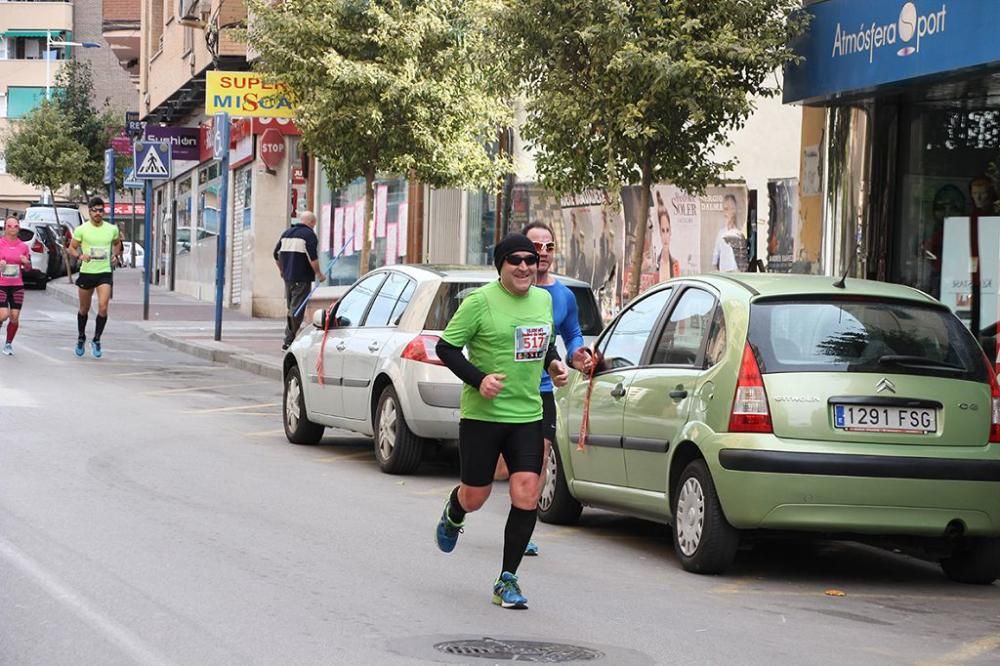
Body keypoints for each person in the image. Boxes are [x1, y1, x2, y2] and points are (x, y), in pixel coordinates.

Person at [433, 232, 569, 610]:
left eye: (530, 259)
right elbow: (446, 347)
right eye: (516, 261)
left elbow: (542, 343)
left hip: (528, 413)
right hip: (483, 416)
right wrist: (480, 379)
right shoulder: (480, 303)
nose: (525, 266)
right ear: (502, 266)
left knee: (527, 493)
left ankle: (507, 579)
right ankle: (455, 510)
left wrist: (554, 364)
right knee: (476, 495)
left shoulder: (542, 299)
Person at [495, 222, 594, 557]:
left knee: (540, 457)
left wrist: (577, 355)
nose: (543, 253)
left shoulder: (563, 296)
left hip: (541, 390)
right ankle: (465, 499)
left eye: (549, 246)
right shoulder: (503, 292)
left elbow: (572, 334)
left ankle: (523, 525)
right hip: (506, 389)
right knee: (494, 472)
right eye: (537, 246)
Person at [69, 197, 122, 358]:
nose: (98, 213)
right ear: (89, 211)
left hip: (104, 272)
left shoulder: (111, 229)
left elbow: (117, 243)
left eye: (100, 210)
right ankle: (81, 337)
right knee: (84, 309)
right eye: (94, 210)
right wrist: (79, 256)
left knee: (103, 307)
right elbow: (71, 248)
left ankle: (97, 339)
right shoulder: (81, 230)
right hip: (87, 272)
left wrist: (116, 255)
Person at [274, 210, 324, 351]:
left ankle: (290, 338)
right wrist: (319, 274)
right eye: (313, 224)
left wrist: (282, 271)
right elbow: (312, 257)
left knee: (292, 308)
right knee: (297, 311)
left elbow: (275, 254)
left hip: (288, 278)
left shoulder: (286, 233)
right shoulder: (309, 235)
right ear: (311, 222)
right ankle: (288, 341)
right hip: (302, 278)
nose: (313, 226)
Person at [0, 217, 31, 355]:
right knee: (4, 314)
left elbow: (28, 268)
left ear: (19, 228)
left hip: (17, 285)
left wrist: (26, 262)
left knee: (14, 316)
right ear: (5, 228)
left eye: (16, 226)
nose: (12, 229)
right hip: (1, 284)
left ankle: (8, 344)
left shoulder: (23, 246)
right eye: (10, 226)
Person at [711, 194, 749, 272]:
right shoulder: (721, 233)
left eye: (731, 208)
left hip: (736, 272)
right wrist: (716, 271)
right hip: (723, 273)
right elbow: (715, 254)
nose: (728, 212)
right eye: (726, 208)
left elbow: (743, 258)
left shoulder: (739, 233)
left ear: (735, 210)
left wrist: (740, 271)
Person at [655, 191, 680, 281]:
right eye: (663, 231)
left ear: (670, 232)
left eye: (667, 230)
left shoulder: (675, 264)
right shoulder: (654, 263)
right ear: (659, 233)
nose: (665, 236)